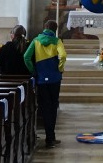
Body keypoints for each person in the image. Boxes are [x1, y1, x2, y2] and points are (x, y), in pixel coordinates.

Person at [24, 19, 67, 148]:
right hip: (54, 78)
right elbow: (63, 56)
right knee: (53, 106)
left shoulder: (36, 40)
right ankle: (50, 138)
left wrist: (33, 70)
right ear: (55, 30)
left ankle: (43, 136)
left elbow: (26, 57)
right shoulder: (57, 41)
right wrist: (60, 68)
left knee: (44, 106)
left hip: (41, 79)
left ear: (44, 28)